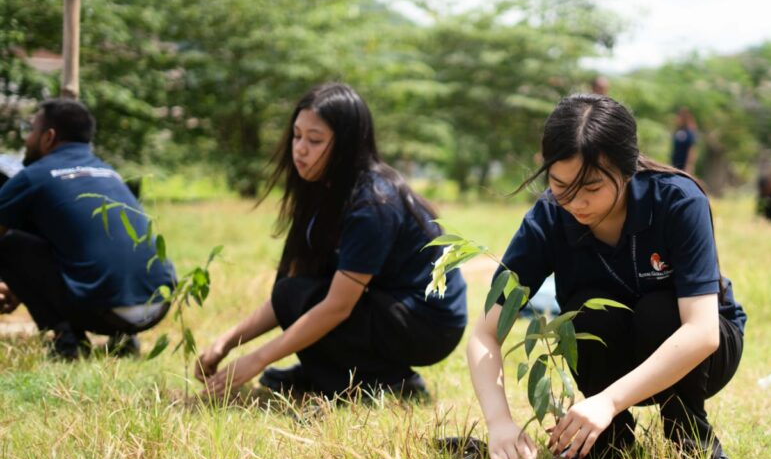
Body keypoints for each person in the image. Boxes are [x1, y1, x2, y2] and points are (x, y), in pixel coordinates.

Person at [466, 94, 746, 459]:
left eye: (592, 187)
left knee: (658, 310)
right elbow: (485, 333)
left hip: (702, 355)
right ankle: (610, 443)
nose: (575, 202)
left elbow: (702, 332)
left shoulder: (678, 200)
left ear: (627, 169)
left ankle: (692, 442)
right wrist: (499, 423)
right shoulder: (549, 218)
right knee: (584, 312)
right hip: (615, 359)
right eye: (560, 186)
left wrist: (608, 401)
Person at [195, 83, 468, 400]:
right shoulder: (321, 188)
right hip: (385, 305)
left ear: (347, 146)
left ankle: (386, 381)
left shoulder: (373, 202)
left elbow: (337, 307)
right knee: (290, 289)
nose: (300, 149)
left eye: (315, 140)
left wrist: (256, 360)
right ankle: (330, 374)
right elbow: (288, 294)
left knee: (300, 295)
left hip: (429, 323)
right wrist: (227, 342)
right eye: (297, 136)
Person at [0, 99, 175, 359]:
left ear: (48, 137)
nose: (27, 138)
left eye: (32, 130)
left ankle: (67, 340)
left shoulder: (33, 176)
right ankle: (124, 341)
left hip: (102, 311)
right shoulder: (109, 173)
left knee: (9, 244)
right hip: (159, 304)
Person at [670, 108, 699, 173]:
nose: (676, 119)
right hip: (675, 165)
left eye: (678, 117)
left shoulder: (689, 132)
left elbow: (692, 149)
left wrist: (689, 166)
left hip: (684, 167)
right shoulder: (678, 131)